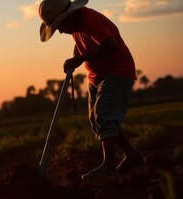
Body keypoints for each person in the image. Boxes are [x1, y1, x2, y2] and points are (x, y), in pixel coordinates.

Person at [38, 0, 144, 179]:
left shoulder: (90, 21)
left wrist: (81, 59)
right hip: (97, 76)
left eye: (60, 26)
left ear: (68, 16)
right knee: (97, 122)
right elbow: (81, 43)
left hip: (117, 72)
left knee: (103, 116)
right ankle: (132, 156)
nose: (61, 31)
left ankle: (108, 166)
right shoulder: (76, 24)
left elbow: (111, 45)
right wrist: (75, 58)